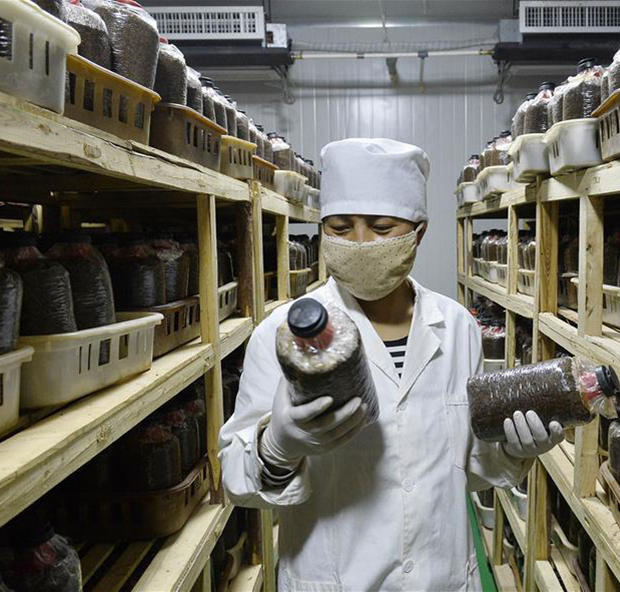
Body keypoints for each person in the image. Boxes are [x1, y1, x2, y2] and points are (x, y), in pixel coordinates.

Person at [219, 138, 564, 591]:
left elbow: (468, 468)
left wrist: (512, 451)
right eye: (340, 228)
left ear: (418, 233)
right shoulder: (282, 334)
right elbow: (235, 480)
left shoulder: (457, 328)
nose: (359, 243)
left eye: (381, 228)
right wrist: (276, 448)